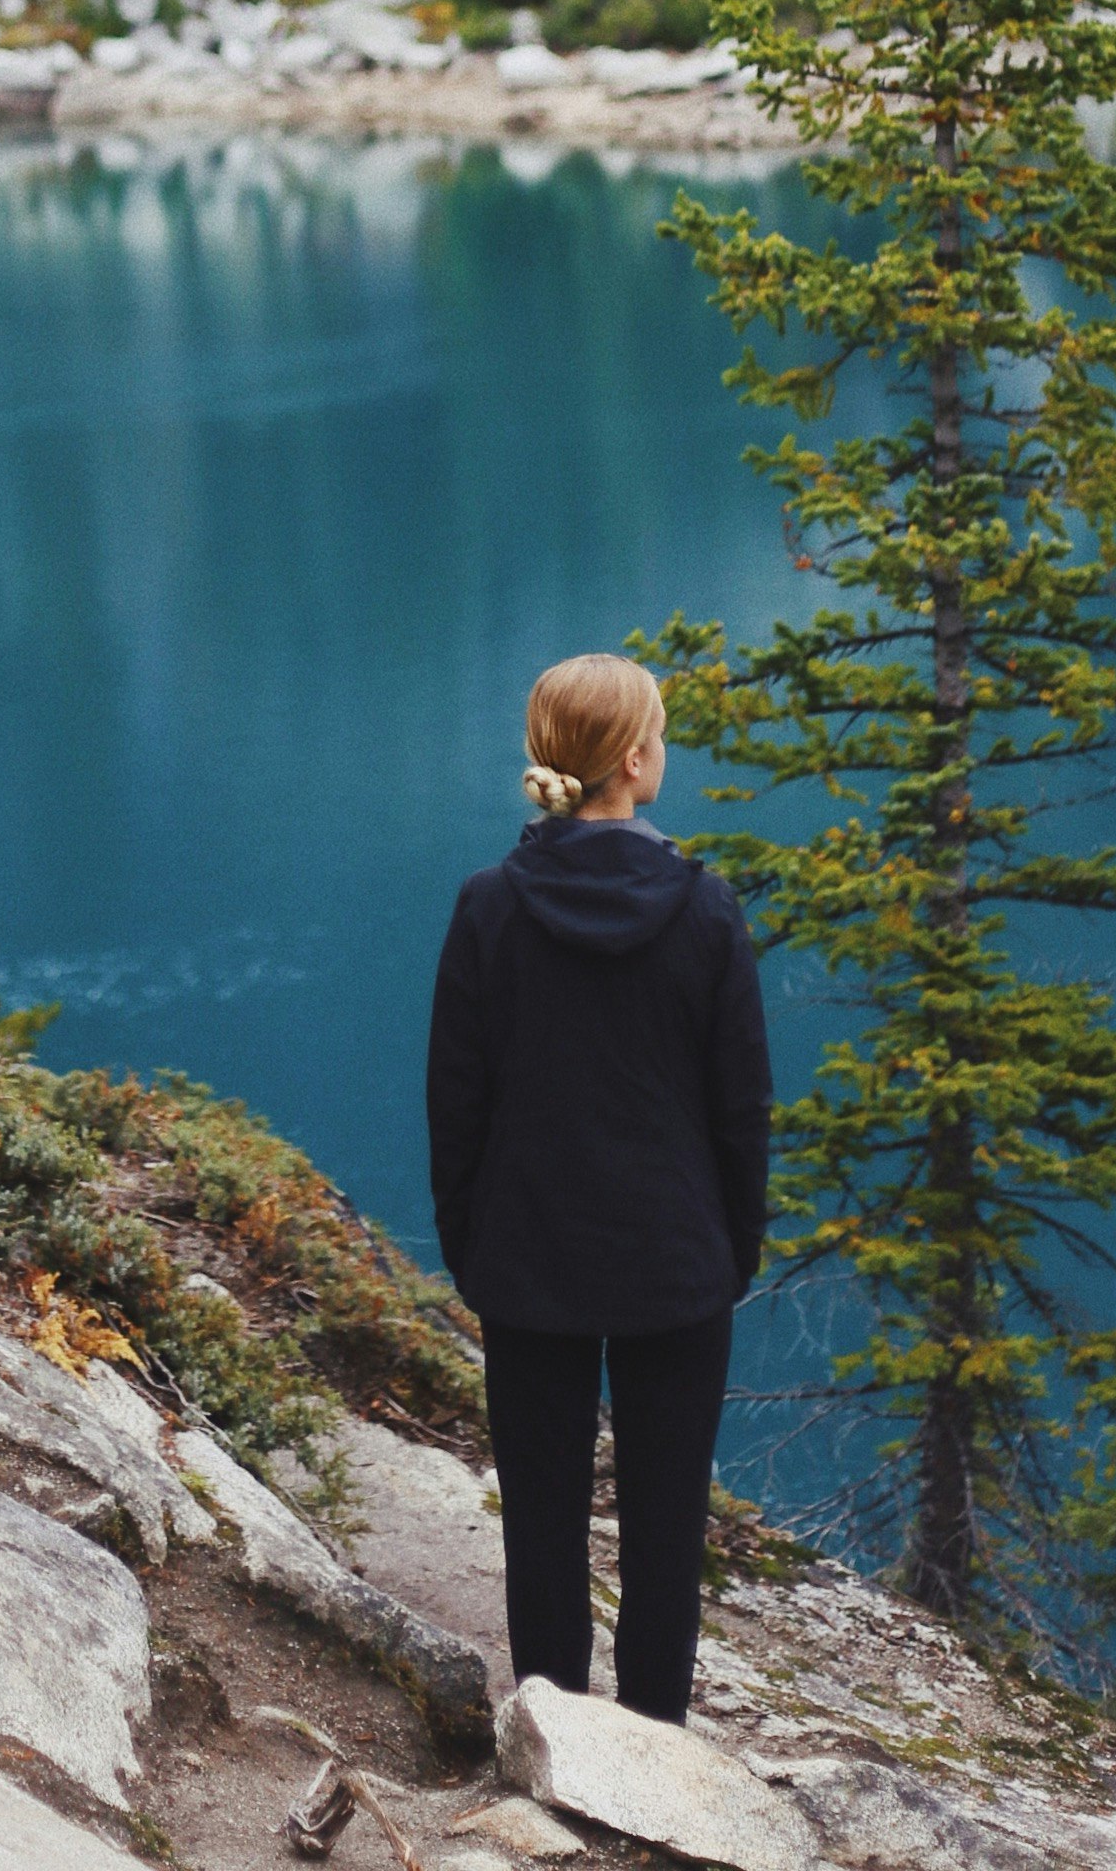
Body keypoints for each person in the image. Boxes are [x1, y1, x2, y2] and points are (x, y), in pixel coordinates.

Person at [425, 651, 771, 1724]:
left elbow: (455, 1103)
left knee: (542, 1518)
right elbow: (740, 1113)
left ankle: (552, 1743)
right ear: (632, 759)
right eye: (658, 732)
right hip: (675, 1265)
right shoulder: (706, 911)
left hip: (527, 1263)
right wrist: (729, 1254)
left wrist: (472, 1251)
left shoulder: (488, 906)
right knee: (667, 1525)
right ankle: (654, 1752)